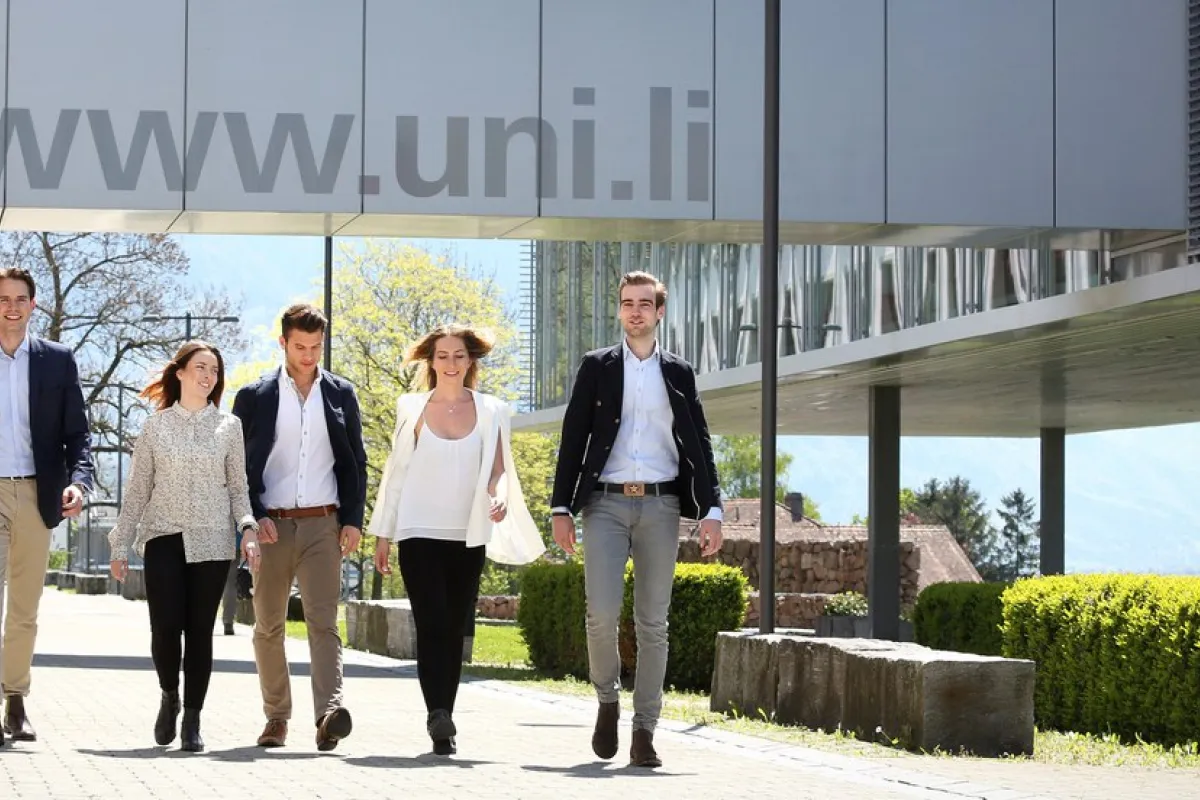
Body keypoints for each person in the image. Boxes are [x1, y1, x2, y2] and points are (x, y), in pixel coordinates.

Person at [550, 271, 723, 769]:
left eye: (645, 303)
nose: (635, 311)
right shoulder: (596, 367)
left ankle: (645, 730)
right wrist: (561, 507)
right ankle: (607, 699)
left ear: (659, 311)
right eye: (627, 303)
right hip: (603, 503)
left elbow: (701, 443)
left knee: (653, 623)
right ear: (620, 310)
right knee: (601, 615)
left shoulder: (679, 372)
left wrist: (711, 509)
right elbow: (573, 438)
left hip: (662, 505)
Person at [369, 323, 544, 756]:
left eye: (459, 355)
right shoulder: (410, 407)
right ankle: (437, 715)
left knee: (453, 627)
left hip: (467, 533)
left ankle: (445, 711)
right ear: (431, 361)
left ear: (471, 361)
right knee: (431, 623)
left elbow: (501, 469)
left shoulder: (492, 410)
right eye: (442, 356)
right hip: (417, 529)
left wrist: (498, 497)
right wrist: (383, 535)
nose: (451, 363)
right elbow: (396, 474)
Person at [108, 341, 261, 753]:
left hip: (212, 541)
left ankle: (192, 717)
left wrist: (247, 527)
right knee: (164, 629)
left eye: (214, 370)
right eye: (200, 367)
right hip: (162, 537)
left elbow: (238, 489)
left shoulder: (230, 427)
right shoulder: (155, 428)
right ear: (180, 373)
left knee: (199, 633)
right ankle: (168, 695)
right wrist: (121, 542)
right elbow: (138, 489)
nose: (208, 376)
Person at [231, 304, 367, 752]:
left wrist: (351, 519)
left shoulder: (341, 393)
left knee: (323, 623)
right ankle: (276, 718)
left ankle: (329, 714)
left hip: (323, 524)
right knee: (267, 625)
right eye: (300, 347)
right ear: (283, 343)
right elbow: (238, 468)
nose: (309, 356)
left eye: (316, 347)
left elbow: (355, 463)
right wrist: (253, 518)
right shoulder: (255, 396)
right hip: (271, 526)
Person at [0, 267, 94, 749]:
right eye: (3, 299)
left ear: (33, 305)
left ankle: (15, 700)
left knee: (24, 609)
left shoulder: (57, 361)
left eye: (20, 299)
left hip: (37, 494)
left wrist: (79, 482)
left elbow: (78, 434)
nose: (11, 307)